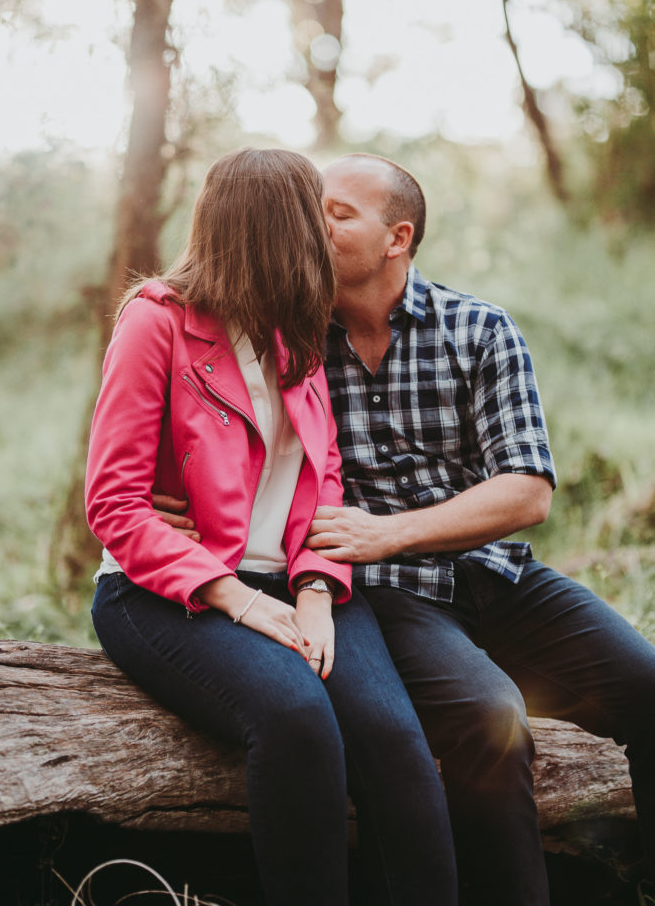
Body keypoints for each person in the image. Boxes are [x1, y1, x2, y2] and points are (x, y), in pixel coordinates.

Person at [156, 151, 655, 906]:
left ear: (398, 237)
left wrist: (385, 532)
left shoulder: (477, 329)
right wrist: (176, 496)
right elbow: (213, 432)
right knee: (492, 719)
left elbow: (526, 492)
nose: (312, 223)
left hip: (497, 574)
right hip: (386, 597)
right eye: (310, 207)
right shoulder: (288, 335)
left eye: (337, 213)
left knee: (646, 687)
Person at [85, 148, 457, 906]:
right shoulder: (155, 321)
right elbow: (115, 505)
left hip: (294, 577)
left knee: (393, 737)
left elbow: (321, 473)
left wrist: (317, 589)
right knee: (296, 718)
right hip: (166, 590)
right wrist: (238, 598)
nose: (324, 232)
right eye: (311, 215)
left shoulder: (296, 328)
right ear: (275, 229)